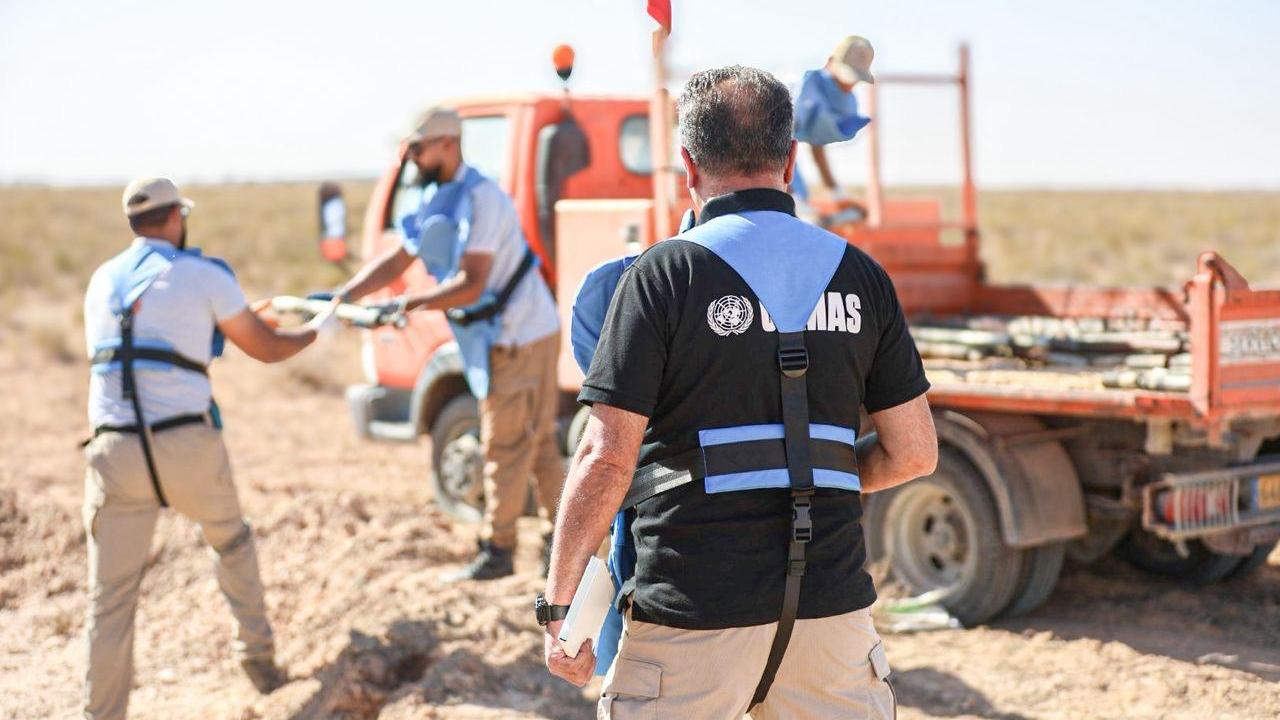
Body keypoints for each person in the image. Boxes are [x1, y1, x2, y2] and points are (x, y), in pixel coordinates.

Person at [541, 66, 938, 719]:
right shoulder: (861, 276)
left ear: (687, 165)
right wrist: (814, 475)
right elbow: (916, 454)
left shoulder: (659, 276)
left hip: (693, 616)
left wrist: (560, 605)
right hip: (831, 614)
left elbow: (607, 460)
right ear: (789, 160)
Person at [82, 177, 339, 719]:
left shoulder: (102, 280)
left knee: (109, 602)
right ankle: (260, 664)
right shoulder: (204, 273)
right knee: (232, 545)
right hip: (188, 444)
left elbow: (154, 343)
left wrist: (235, 315)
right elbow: (266, 349)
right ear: (176, 217)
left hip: (115, 453)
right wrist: (317, 330)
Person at [336, 107, 564, 581]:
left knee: (503, 442)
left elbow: (472, 283)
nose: (410, 157)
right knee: (538, 441)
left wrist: (407, 305)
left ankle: (498, 550)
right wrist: (346, 295)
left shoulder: (482, 199)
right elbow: (400, 256)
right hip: (515, 329)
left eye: (415, 149)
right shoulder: (437, 196)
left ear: (446, 144)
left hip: (520, 332)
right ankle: (560, 545)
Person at [791, 35, 876, 213]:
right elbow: (776, 146)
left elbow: (817, 144)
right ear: (830, 63)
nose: (848, 85)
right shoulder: (800, 96)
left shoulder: (839, 100)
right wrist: (792, 195)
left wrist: (836, 194)